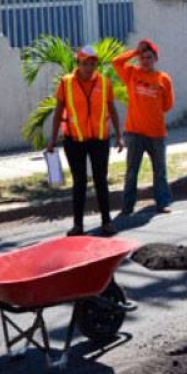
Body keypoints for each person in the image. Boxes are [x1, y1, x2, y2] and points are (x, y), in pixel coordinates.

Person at [47, 45, 123, 236]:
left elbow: (112, 110)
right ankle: (78, 225)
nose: (89, 67)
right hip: (74, 141)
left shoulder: (104, 82)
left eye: (93, 63)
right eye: (85, 64)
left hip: (99, 140)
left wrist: (120, 136)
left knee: (100, 181)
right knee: (79, 182)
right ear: (78, 63)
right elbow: (58, 112)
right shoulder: (66, 83)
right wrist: (53, 139)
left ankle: (106, 222)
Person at [112, 39, 174, 215]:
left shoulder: (163, 79)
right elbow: (116, 62)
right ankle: (127, 206)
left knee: (160, 171)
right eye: (142, 57)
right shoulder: (131, 73)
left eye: (149, 57)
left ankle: (162, 203)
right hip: (134, 132)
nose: (145, 61)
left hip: (157, 133)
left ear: (155, 59)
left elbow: (167, 105)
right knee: (132, 172)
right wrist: (134, 52)